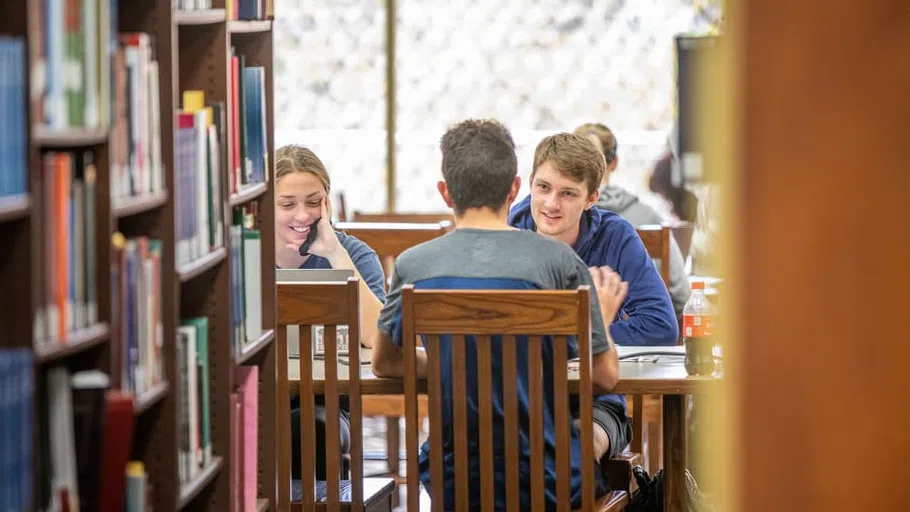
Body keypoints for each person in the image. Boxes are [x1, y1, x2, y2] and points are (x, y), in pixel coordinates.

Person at [369, 119, 624, 510]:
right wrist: (600, 324)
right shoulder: (560, 262)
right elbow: (605, 375)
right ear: (515, 189)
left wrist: (448, 362)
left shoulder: (412, 265)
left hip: (453, 482)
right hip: (548, 482)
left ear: (444, 192)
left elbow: (386, 362)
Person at [508, 132, 680, 462]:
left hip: (596, 397)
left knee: (579, 443)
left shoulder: (615, 236)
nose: (551, 204)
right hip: (514, 394)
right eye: (543, 188)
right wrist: (586, 331)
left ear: (591, 199)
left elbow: (660, 325)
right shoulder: (507, 232)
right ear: (530, 182)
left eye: (568, 193)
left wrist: (562, 340)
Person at [274, 144, 387, 480]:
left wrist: (337, 255)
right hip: (259, 395)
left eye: (313, 202)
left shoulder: (353, 254)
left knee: (307, 429)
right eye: (287, 204)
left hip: (325, 403)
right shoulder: (247, 252)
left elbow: (377, 336)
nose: (302, 215)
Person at [574, 122, 691, 319]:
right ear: (615, 163)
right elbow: (681, 295)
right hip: (641, 338)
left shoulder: (552, 221)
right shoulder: (649, 217)